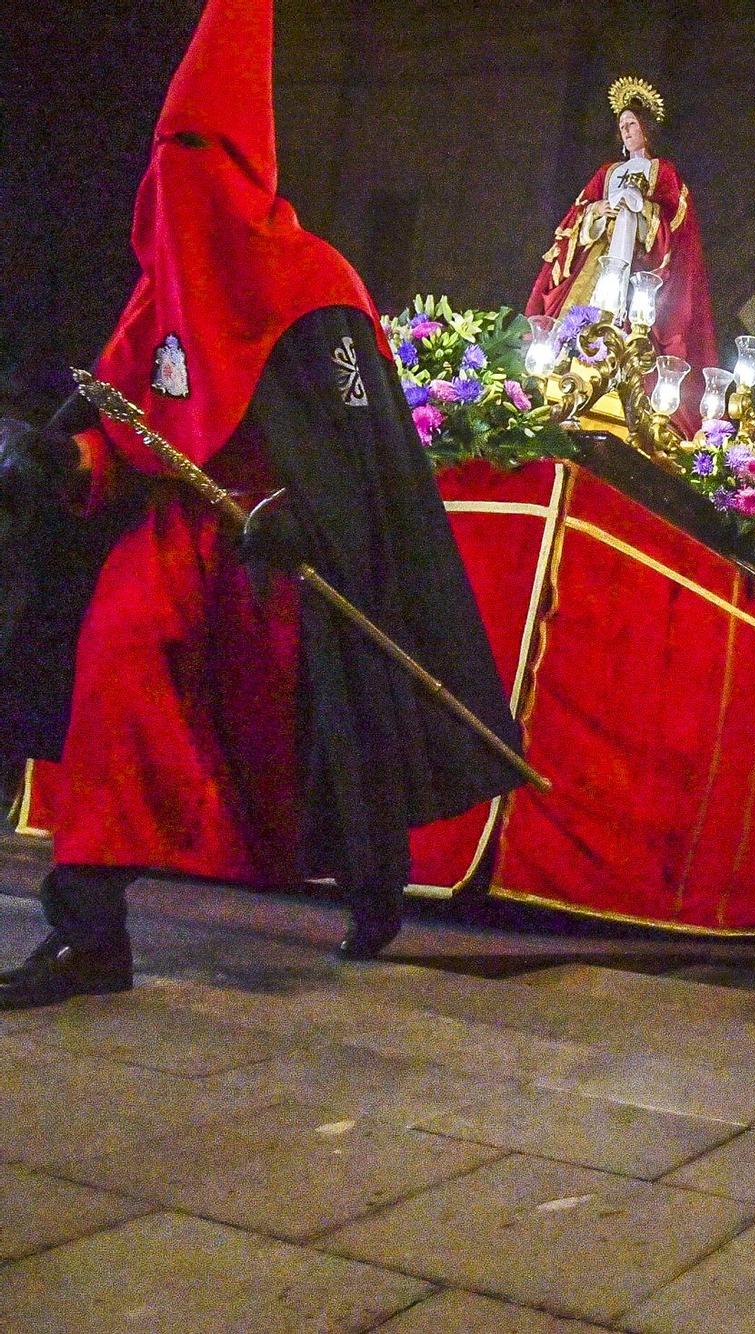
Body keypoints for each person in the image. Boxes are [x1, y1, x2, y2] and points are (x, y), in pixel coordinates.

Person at [0, 0, 522, 1009]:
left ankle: (370, 879)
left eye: (196, 152)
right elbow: (119, 424)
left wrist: (308, 516)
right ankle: (90, 930)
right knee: (118, 659)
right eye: (166, 155)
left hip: (291, 551)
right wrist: (61, 461)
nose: (174, 181)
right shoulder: (159, 301)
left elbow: (367, 455)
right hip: (182, 536)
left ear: (236, 168)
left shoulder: (319, 286)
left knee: (309, 725)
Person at [525, 76, 716, 432]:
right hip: (597, 258)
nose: (626, 131)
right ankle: (562, 380)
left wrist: (640, 210)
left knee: (630, 323)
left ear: (647, 129)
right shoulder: (607, 172)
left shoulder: (663, 171)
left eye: (632, 124)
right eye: (622, 126)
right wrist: (600, 212)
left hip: (637, 264)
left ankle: (617, 387)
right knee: (578, 316)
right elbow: (577, 214)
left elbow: (675, 227)